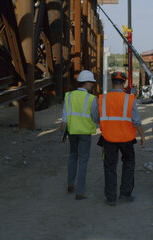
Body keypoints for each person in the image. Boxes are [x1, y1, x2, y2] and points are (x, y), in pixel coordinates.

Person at [94, 71, 146, 206]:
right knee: (128, 163)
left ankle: (111, 198)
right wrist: (142, 136)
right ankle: (125, 193)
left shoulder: (102, 99)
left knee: (110, 166)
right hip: (127, 138)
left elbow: (95, 118)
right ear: (124, 84)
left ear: (112, 82)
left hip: (108, 138)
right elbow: (136, 121)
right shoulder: (130, 99)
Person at [61, 70, 98, 200]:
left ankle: (70, 184)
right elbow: (95, 117)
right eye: (91, 82)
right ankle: (80, 192)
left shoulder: (69, 96)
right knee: (83, 160)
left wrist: (63, 134)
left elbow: (64, 117)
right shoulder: (91, 99)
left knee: (72, 156)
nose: (92, 85)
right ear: (86, 83)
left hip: (72, 131)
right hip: (85, 133)